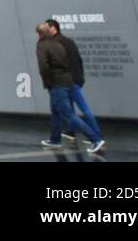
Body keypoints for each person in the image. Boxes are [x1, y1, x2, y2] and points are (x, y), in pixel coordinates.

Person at [36, 23, 102, 153]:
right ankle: (55, 140)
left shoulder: (42, 46)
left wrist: (49, 82)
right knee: (56, 111)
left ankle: (95, 139)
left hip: (56, 84)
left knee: (69, 115)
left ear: (39, 34)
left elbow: (44, 67)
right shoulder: (58, 44)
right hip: (68, 81)